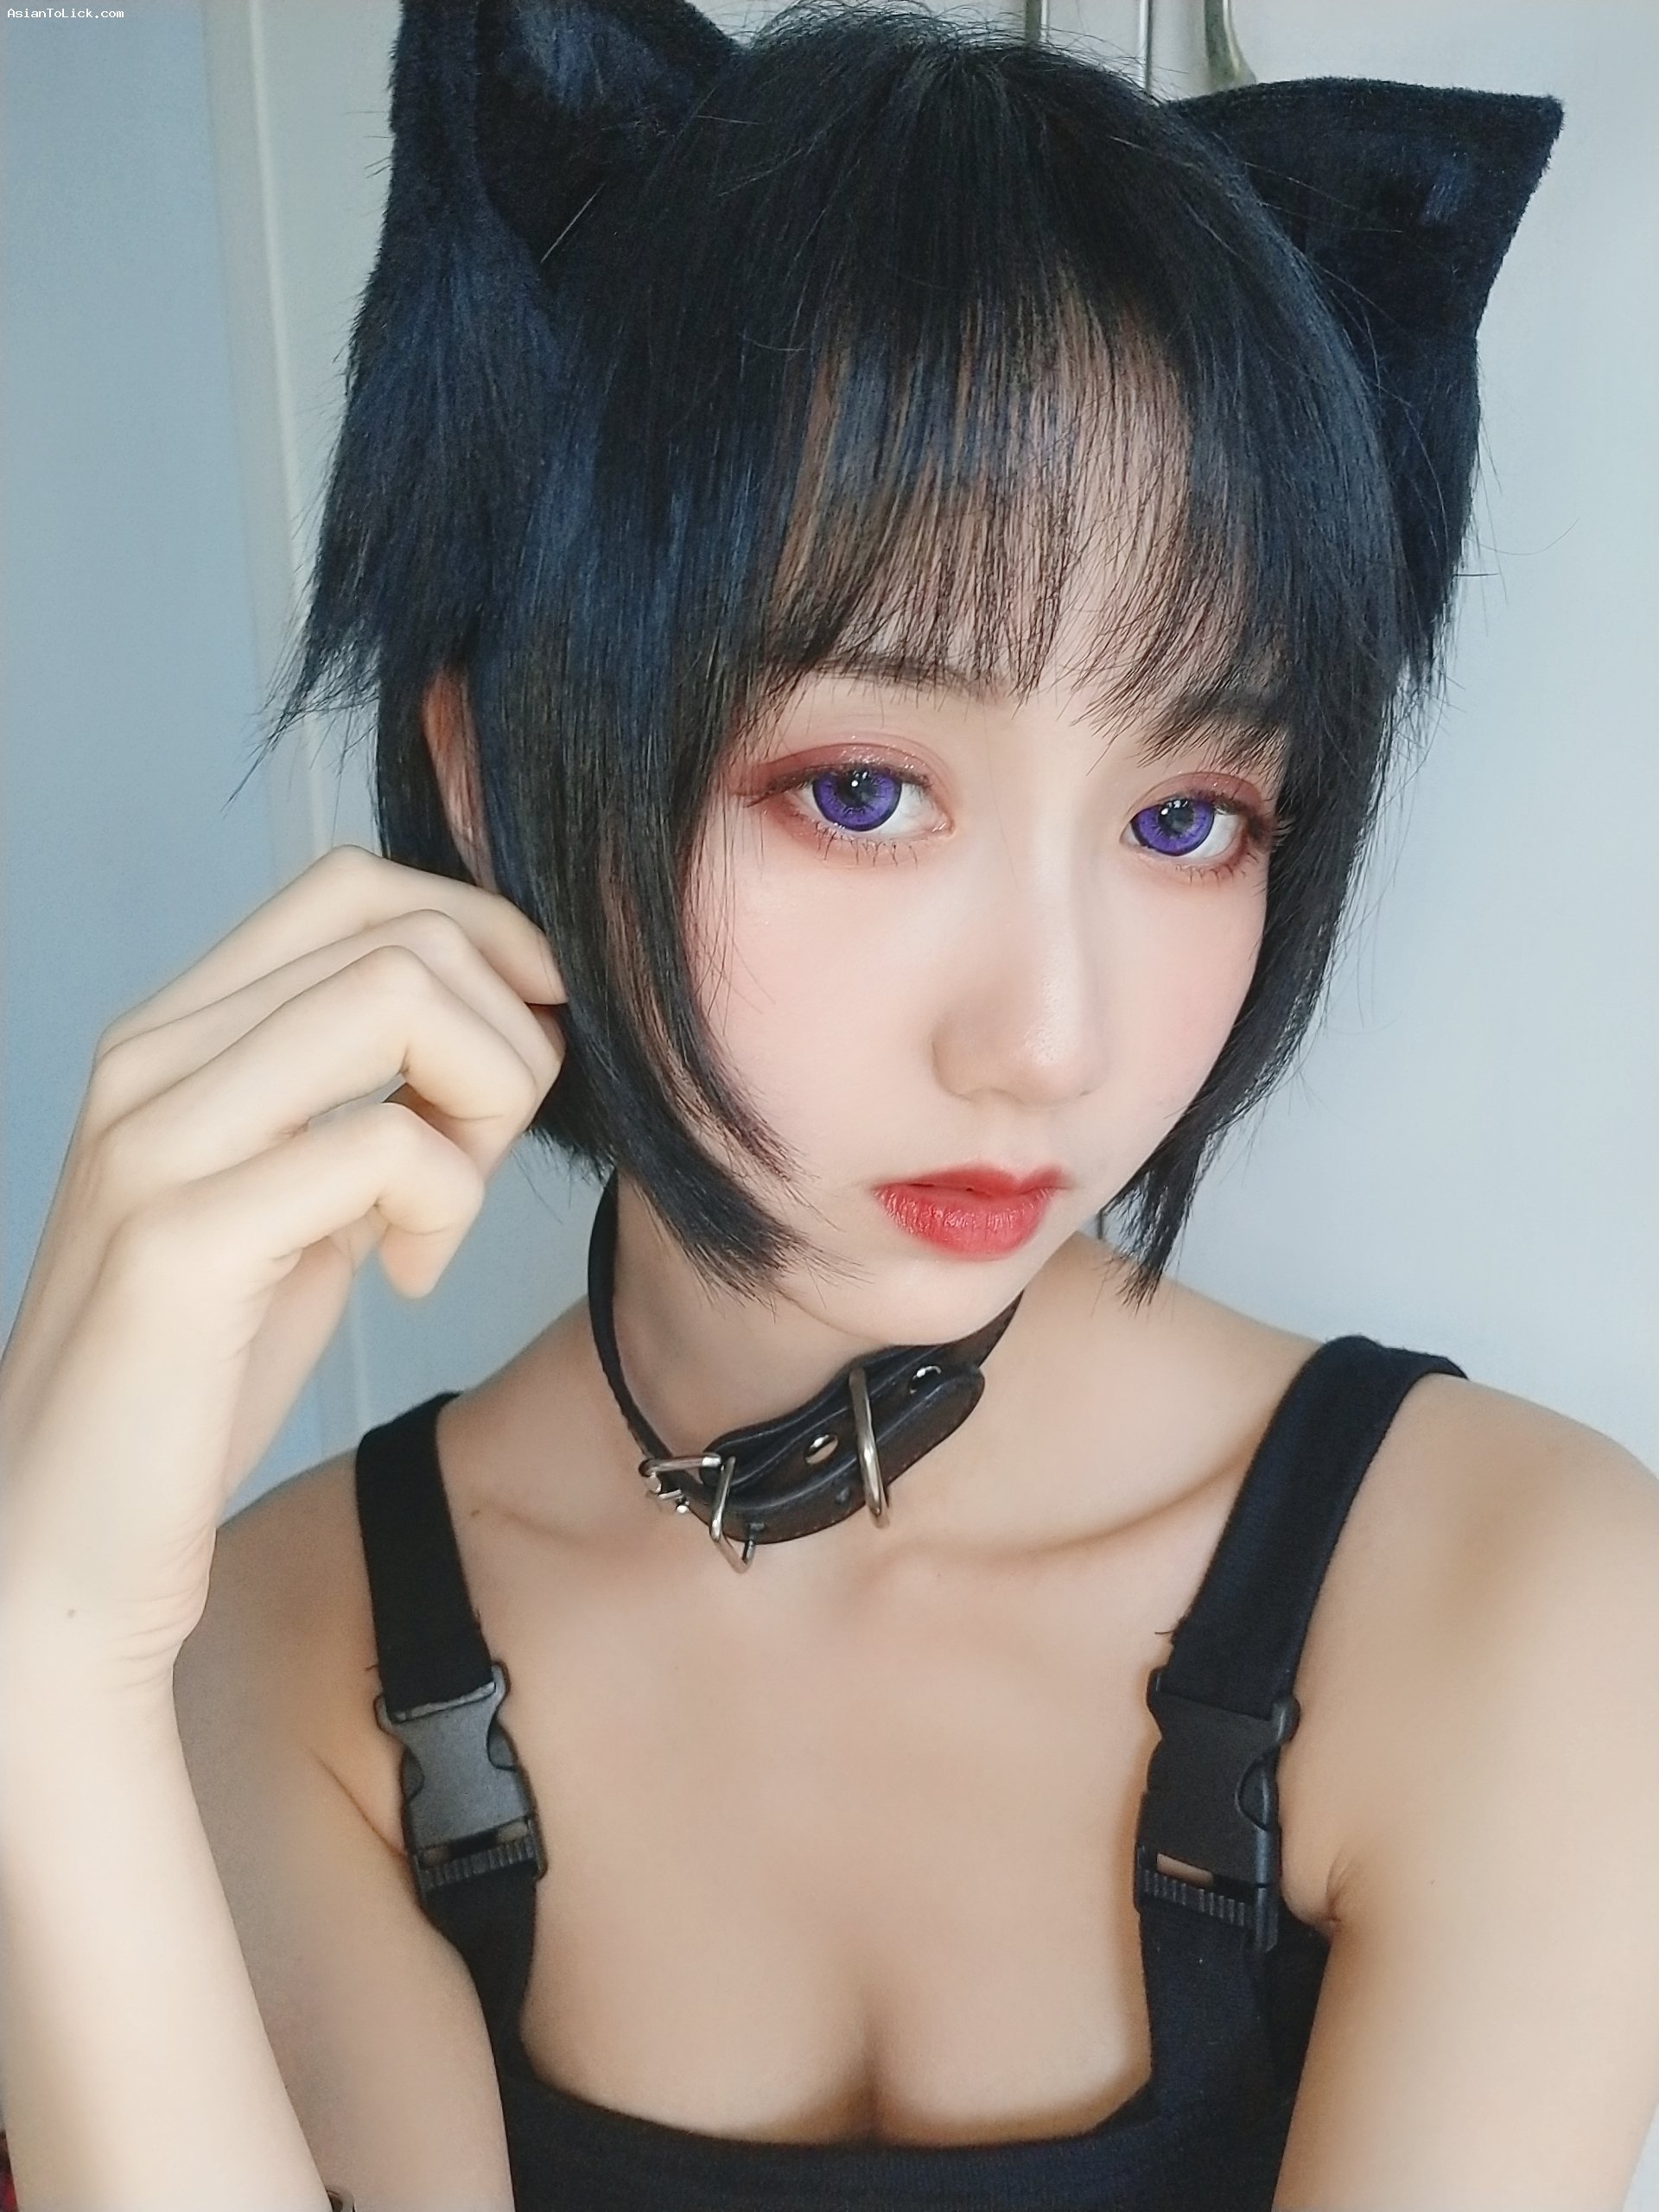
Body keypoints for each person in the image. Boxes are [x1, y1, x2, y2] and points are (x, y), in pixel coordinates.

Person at [1, 2, 1655, 2208]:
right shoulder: (288, 1655)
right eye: (863, 790)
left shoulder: (1511, 1595)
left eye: (1188, 818)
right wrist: (43, 1675)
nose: (1048, 1039)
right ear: (495, 776)